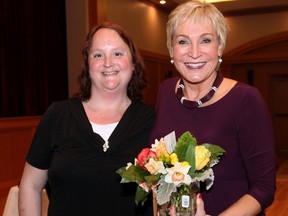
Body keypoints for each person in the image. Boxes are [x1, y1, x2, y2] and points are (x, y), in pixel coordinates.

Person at [149, 1, 276, 215]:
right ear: (171, 49)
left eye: (205, 40)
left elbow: (264, 189)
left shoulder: (246, 100)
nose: (195, 52)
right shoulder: (165, 91)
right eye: (183, 42)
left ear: (220, 47)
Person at [18, 22, 155, 216]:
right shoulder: (58, 115)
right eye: (98, 55)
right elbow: (30, 185)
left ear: (133, 63)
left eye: (117, 53)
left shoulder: (153, 121)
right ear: (87, 65)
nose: (108, 62)